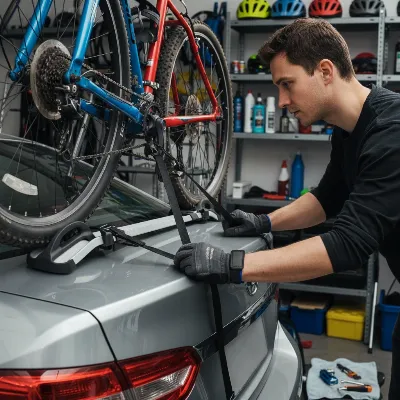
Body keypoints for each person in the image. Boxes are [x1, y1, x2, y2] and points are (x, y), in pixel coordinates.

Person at [173, 17, 400, 399]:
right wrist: (264, 221)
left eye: (286, 84)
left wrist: (233, 266)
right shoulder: (349, 129)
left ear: (325, 71)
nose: (282, 101)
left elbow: (348, 244)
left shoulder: (392, 132)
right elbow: (328, 197)